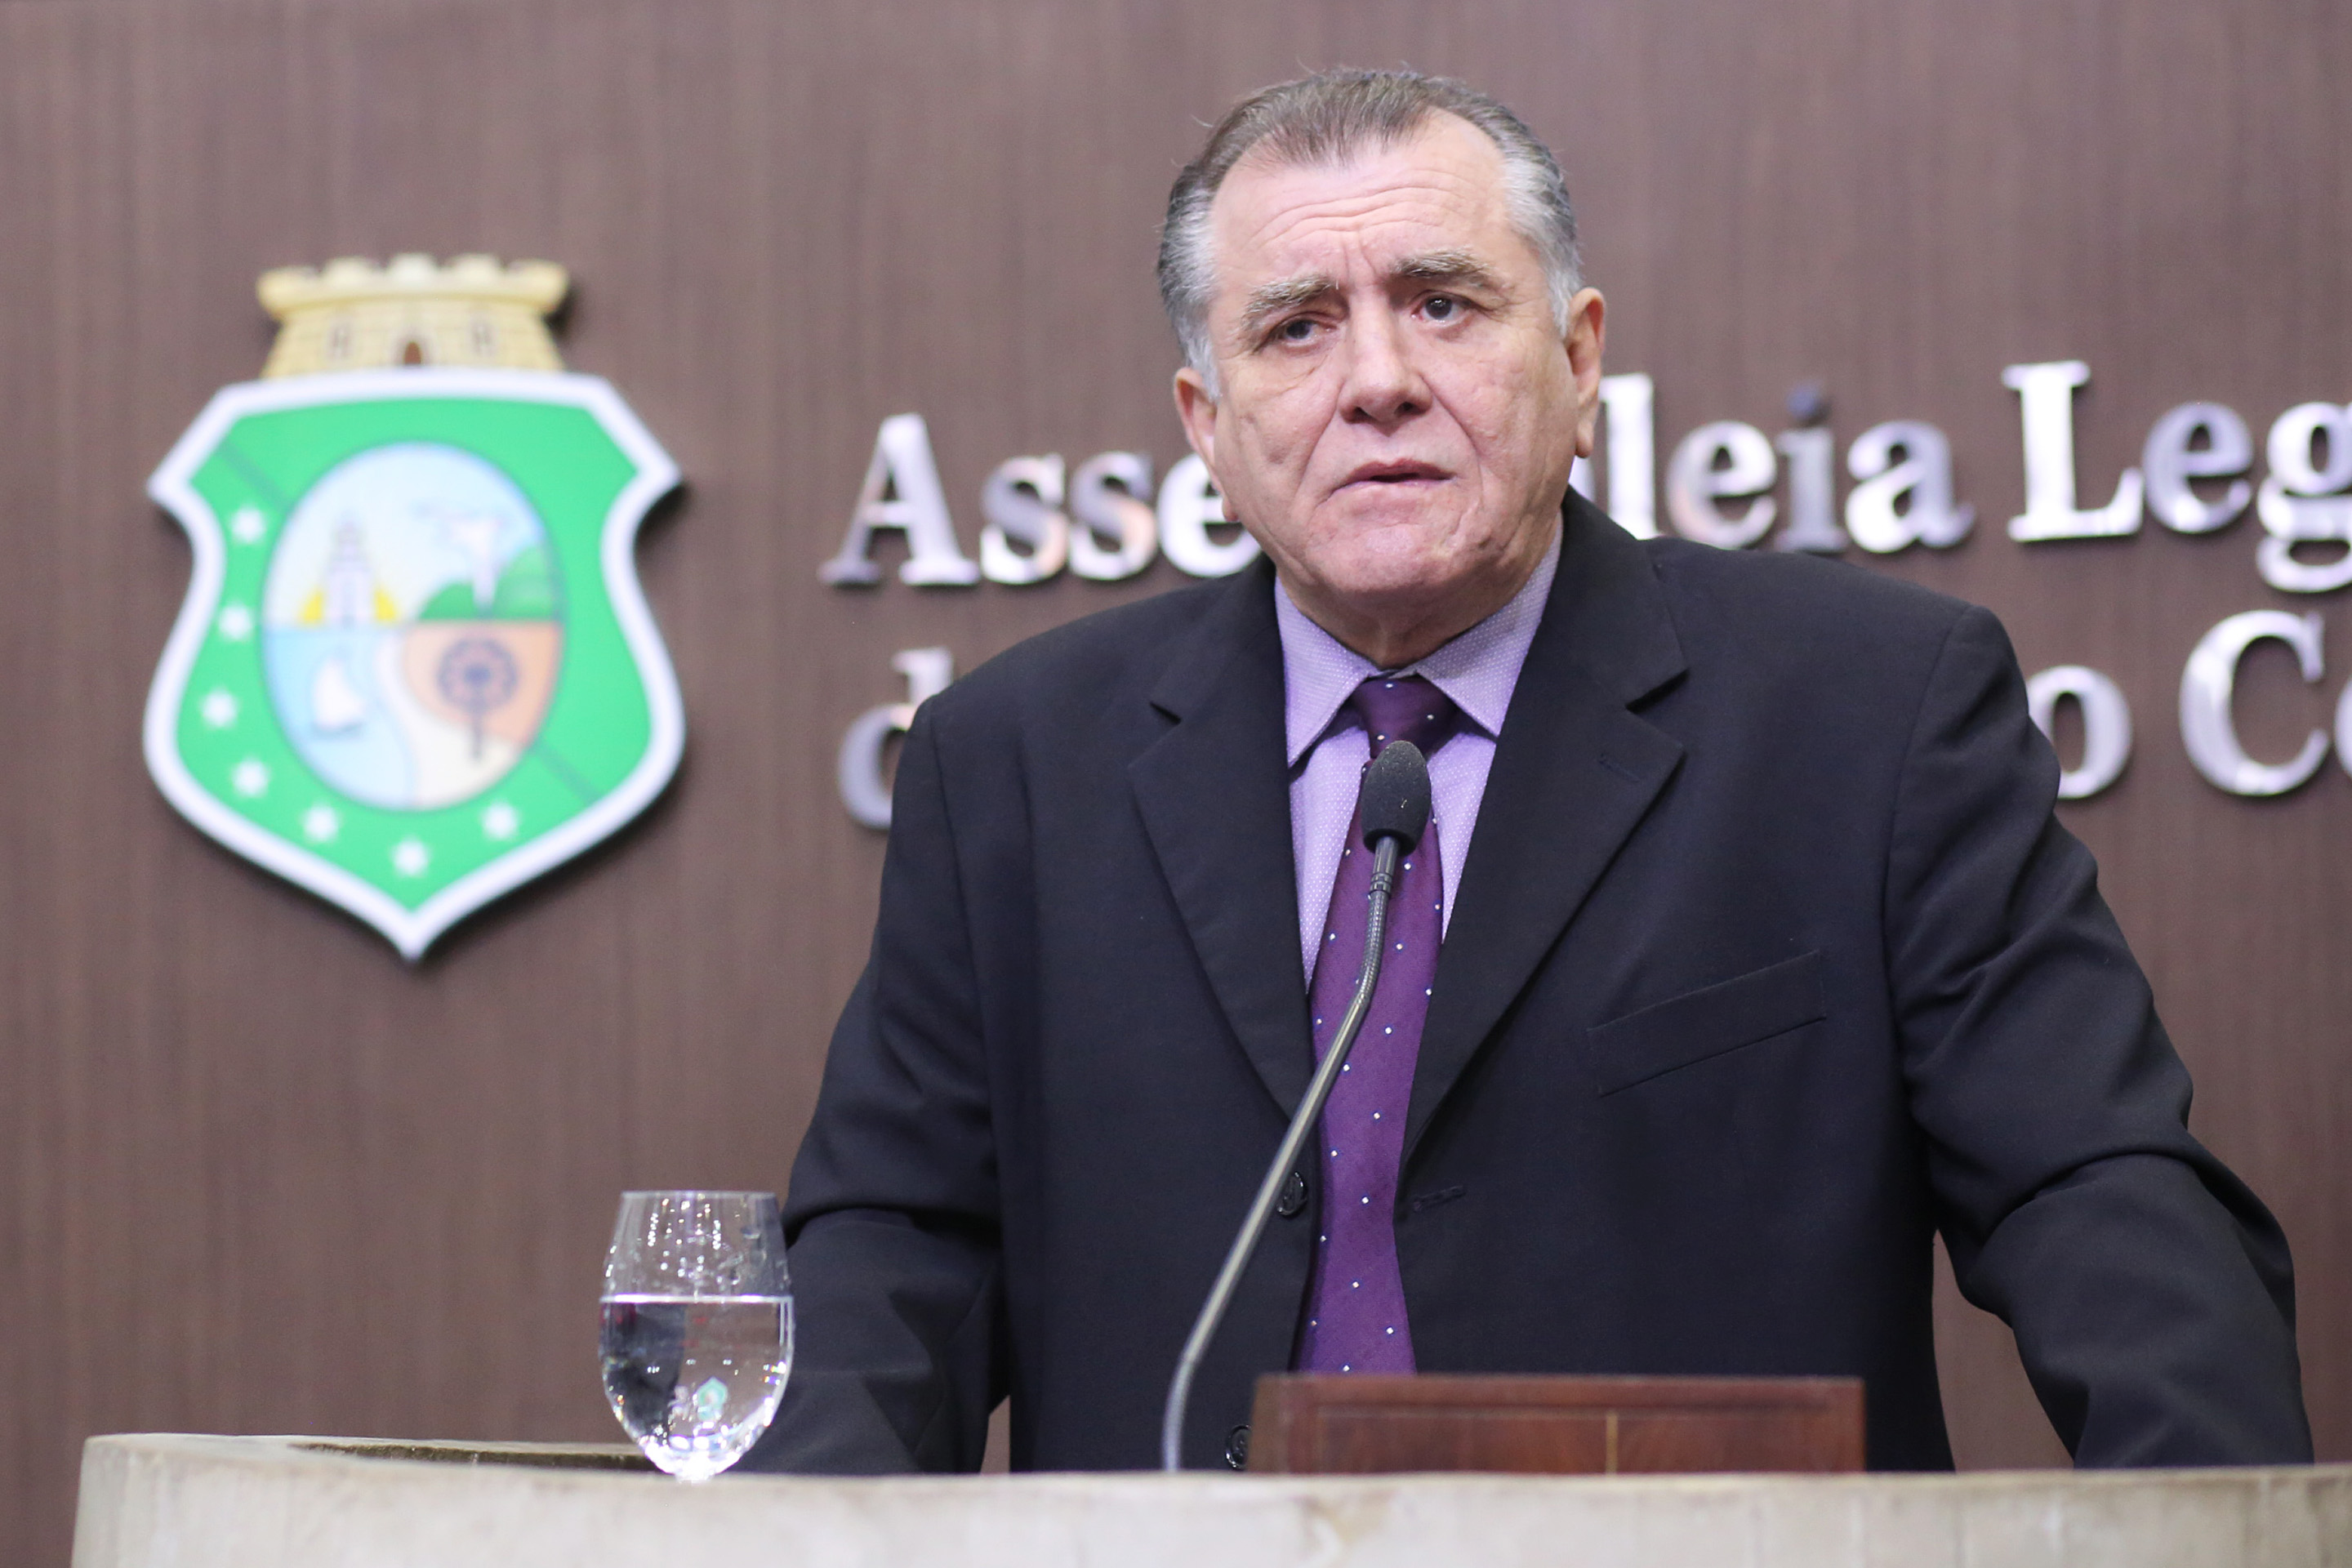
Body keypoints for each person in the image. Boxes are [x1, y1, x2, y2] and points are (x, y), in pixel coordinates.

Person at [758, 69, 2310, 1473]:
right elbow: (895, 1257)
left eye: (1442, 304)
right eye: (1297, 328)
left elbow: (2093, 1194)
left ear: (1578, 361)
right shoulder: (1016, 764)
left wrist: (2218, 1520)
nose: (1376, 379)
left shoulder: (1871, 712)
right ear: (1208, 428)